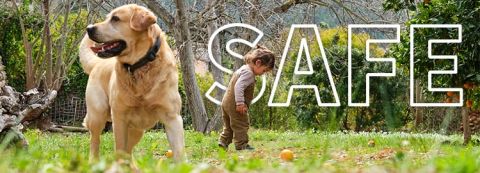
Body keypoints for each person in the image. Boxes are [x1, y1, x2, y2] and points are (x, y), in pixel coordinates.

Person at [218, 45, 275, 151]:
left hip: (226, 103)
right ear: (258, 63)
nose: (263, 74)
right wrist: (240, 103)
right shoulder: (249, 73)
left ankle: (223, 142)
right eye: (264, 70)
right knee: (241, 124)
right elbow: (238, 86)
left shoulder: (243, 69)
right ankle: (242, 145)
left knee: (229, 126)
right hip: (235, 105)